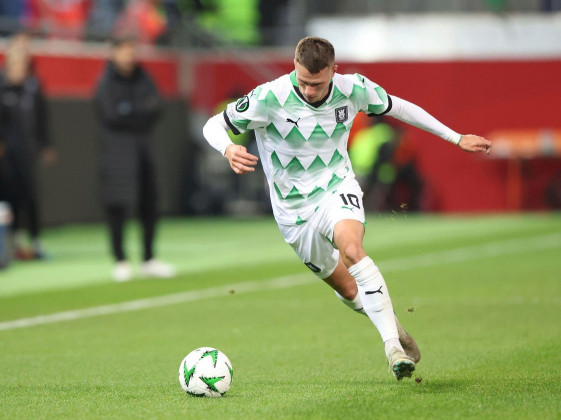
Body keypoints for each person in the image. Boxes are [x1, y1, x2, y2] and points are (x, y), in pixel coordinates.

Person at [202, 36, 491, 380]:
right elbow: (213, 124)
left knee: (353, 249)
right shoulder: (269, 96)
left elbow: (400, 107)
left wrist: (455, 137)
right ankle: (396, 328)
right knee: (351, 290)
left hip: (336, 187)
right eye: (303, 82)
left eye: (318, 83)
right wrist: (226, 149)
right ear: (294, 68)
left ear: (333, 72)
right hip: (293, 213)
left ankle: (392, 349)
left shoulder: (353, 88)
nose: (309, 91)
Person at [94, 36, 175, 282]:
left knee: (149, 204)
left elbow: (156, 108)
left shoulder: (144, 77)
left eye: (132, 50)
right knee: (117, 206)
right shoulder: (105, 82)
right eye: (124, 50)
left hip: (144, 150)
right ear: (114, 53)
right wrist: (138, 110)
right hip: (117, 153)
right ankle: (120, 259)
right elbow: (111, 116)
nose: (129, 56)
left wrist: (129, 110)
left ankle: (149, 258)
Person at [0, 38, 56, 259]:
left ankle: (36, 242)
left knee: (31, 196)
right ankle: (15, 243)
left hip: (27, 150)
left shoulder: (33, 85)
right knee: (10, 196)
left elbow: (42, 118)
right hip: (6, 152)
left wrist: (46, 144)